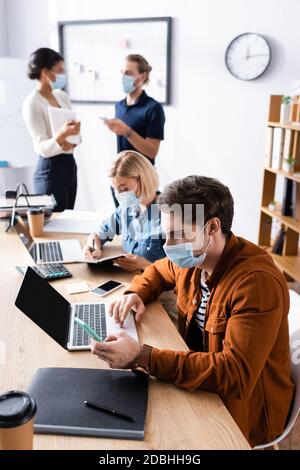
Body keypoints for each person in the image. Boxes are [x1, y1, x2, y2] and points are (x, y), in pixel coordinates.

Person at [90, 175, 294, 448]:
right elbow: (158, 271)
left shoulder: (255, 282)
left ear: (211, 227)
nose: (168, 245)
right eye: (167, 234)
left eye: (178, 234)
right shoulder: (194, 257)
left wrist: (143, 356)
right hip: (203, 381)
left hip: (242, 413)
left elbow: (235, 375)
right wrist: (136, 292)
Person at [82, 150, 165, 272]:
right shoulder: (126, 210)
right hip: (128, 280)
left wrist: (145, 265)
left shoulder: (170, 215)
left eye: (124, 189)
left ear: (143, 180)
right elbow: (98, 235)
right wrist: (92, 247)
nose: (118, 195)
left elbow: (185, 268)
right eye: (115, 189)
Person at [23, 48, 81, 211]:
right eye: (59, 70)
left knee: (69, 219)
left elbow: (75, 135)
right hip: (50, 171)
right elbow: (41, 147)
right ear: (45, 72)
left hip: (69, 166)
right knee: (56, 224)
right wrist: (62, 135)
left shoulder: (61, 96)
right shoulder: (32, 102)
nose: (63, 74)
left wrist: (73, 137)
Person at [103, 54, 165, 206]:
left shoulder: (153, 108)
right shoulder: (119, 106)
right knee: (123, 223)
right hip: (120, 177)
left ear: (142, 76)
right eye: (122, 72)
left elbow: (152, 151)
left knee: (146, 224)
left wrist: (127, 132)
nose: (124, 77)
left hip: (141, 179)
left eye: (129, 73)